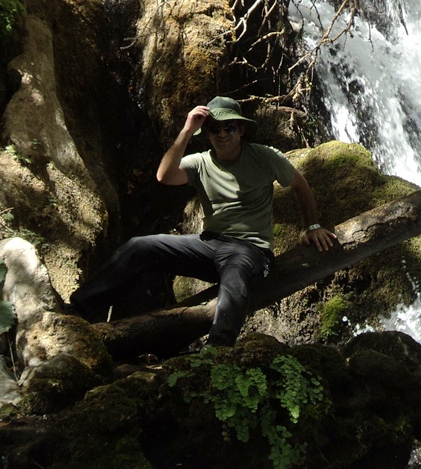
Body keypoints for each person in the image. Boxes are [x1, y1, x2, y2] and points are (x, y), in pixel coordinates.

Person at [69, 96, 337, 346]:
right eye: (214, 129)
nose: (222, 134)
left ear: (241, 130)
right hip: (209, 246)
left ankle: (217, 353)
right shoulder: (200, 163)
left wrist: (312, 226)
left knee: (235, 277)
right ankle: (77, 312)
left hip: (251, 251)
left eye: (228, 127)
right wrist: (187, 130)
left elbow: (300, 184)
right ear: (207, 133)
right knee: (140, 247)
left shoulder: (264, 157)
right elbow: (164, 176)